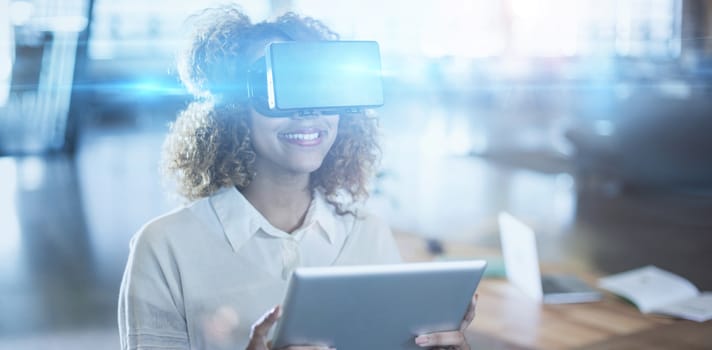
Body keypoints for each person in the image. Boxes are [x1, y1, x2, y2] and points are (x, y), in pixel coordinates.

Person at [118, 5, 477, 350]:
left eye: (320, 88)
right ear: (232, 109)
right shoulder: (165, 247)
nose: (308, 112)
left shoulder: (370, 235)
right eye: (283, 89)